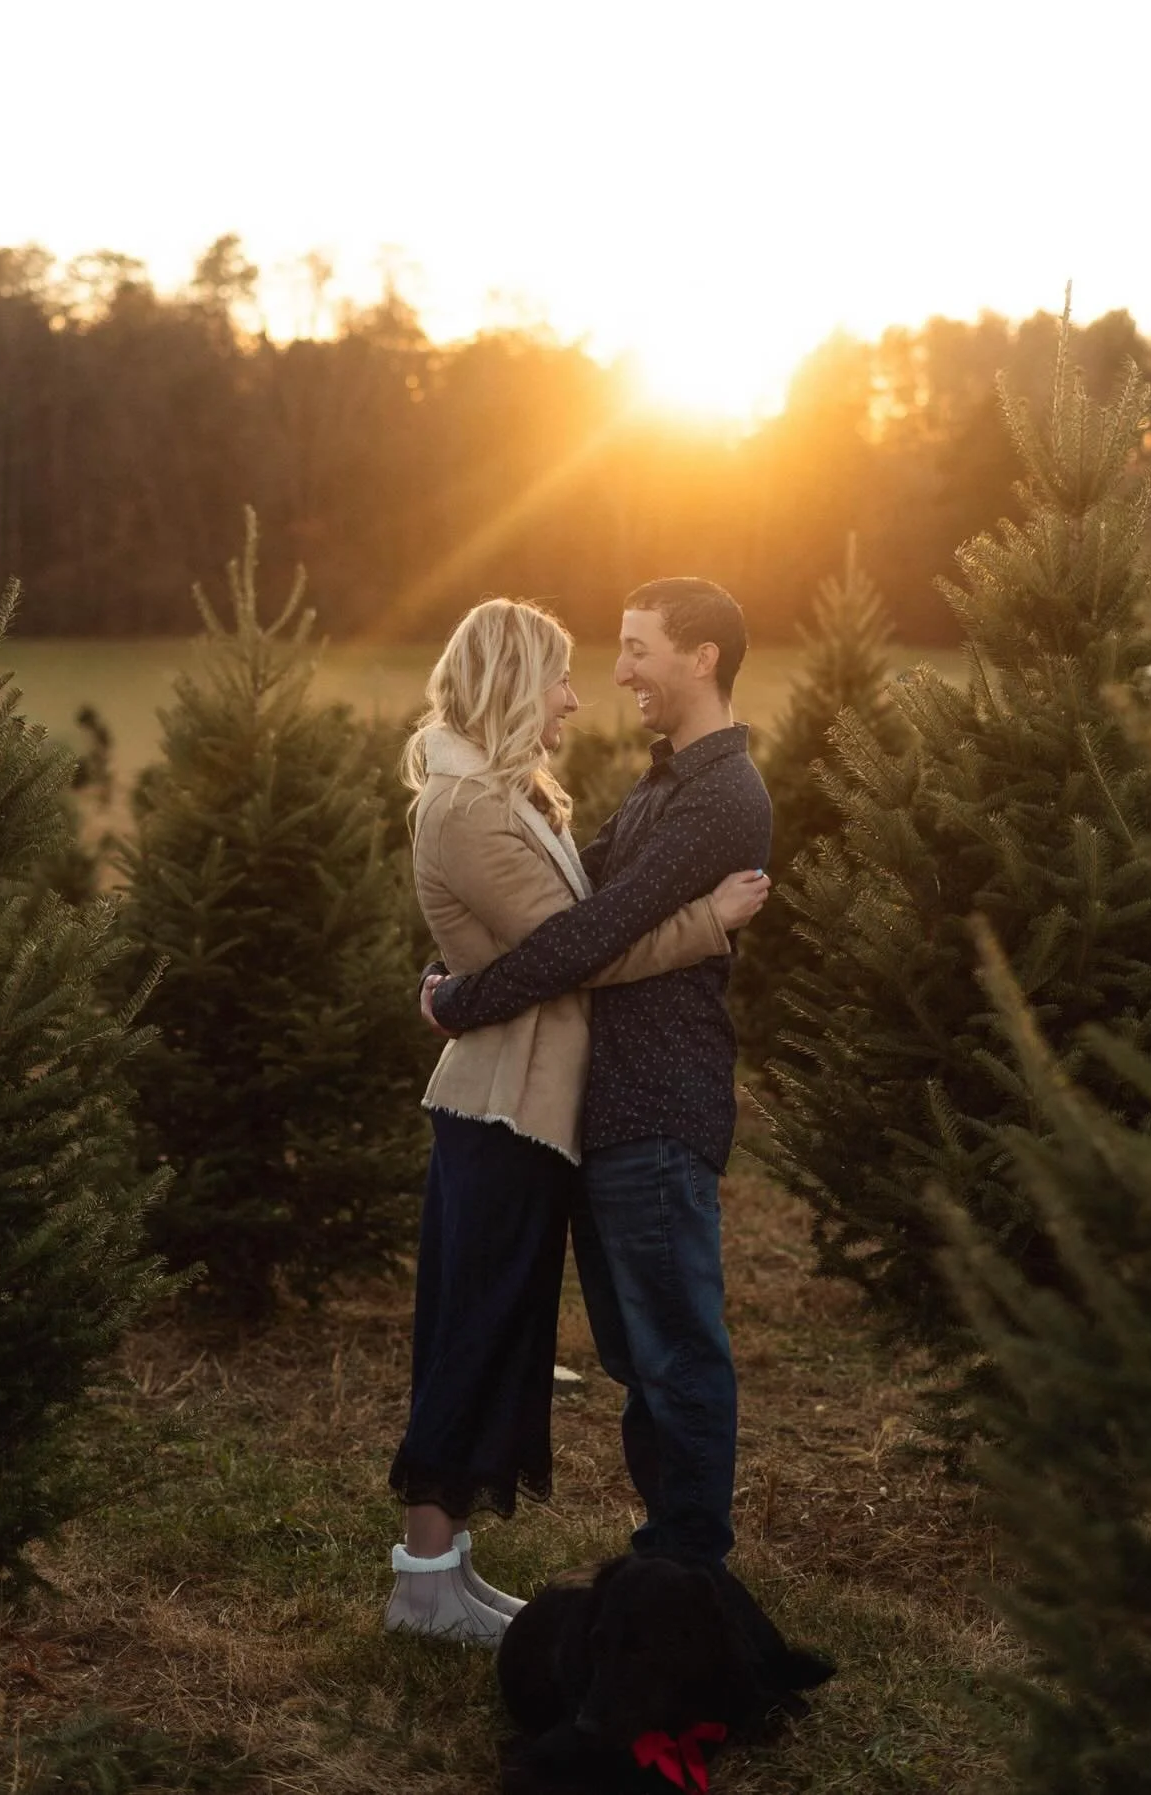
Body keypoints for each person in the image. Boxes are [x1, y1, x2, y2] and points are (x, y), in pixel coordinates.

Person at [385, 596, 769, 1648]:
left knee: (532, 1334)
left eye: (627, 652)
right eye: (563, 674)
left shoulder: (568, 795)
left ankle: (469, 1572)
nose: (586, 688)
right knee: (483, 1328)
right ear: (515, 684)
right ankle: (429, 1574)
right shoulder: (475, 805)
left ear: (699, 658)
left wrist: (459, 989)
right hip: (512, 1104)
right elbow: (581, 944)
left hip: (568, 1104)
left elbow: (575, 927)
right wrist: (705, 925)